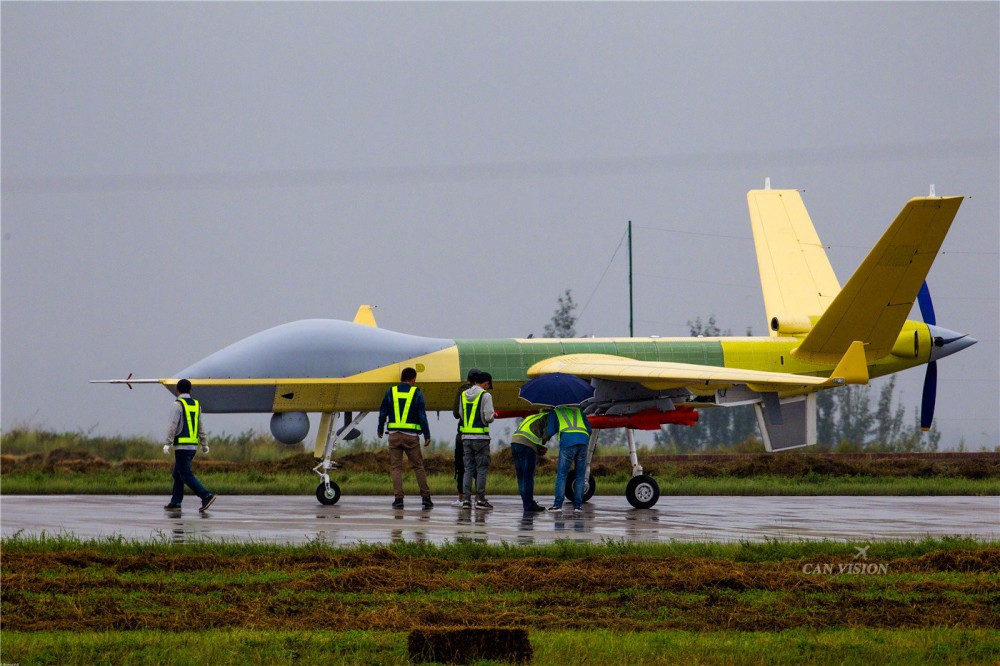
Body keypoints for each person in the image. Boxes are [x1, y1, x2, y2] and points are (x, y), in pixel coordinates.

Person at [377, 367, 433, 510]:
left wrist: (380, 429)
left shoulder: (391, 391)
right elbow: (422, 416)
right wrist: (426, 435)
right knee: (418, 466)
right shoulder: (416, 392)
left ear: (401, 378)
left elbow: (382, 412)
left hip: (394, 436)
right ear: (413, 379)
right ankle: (426, 498)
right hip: (411, 437)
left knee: (396, 467)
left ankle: (398, 499)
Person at [163, 378, 216, 513]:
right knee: (178, 473)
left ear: (177, 390)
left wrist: (168, 443)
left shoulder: (177, 405)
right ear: (190, 390)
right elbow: (200, 425)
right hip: (193, 446)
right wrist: (204, 443)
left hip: (181, 446)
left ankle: (206, 495)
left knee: (185, 474)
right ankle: (175, 502)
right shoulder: (196, 405)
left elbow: (172, 425)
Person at [545, 404, 593, 515]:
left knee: (562, 475)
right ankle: (578, 506)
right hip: (583, 442)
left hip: (568, 442)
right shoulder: (578, 410)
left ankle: (557, 505)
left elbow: (550, 431)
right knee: (580, 476)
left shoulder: (555, 411)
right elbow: (589, 430)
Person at [459, 371, 496, 509]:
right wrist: (492, 416)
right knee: (481, 469)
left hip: (466, 437)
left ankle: (466, 500)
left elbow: (461, 414)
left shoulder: (464, 395)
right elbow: (488, 417)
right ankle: (480, 499)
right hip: (481, 438)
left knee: (468, 469)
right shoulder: (485, 395)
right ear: (486, 383)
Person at [509, 409, 551, 512]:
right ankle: (529, 504)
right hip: (526, 445)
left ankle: (526, 502)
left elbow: (531, 432)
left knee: (521, 476)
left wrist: (538, 447)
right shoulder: (549, 417)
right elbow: (546, 434)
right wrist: (543, 443)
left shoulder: (533, 416)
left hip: (514, 442)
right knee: (528, 476)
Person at [451, 368, 480, 506]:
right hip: (480, 435)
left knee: (462, 467)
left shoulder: (461, 392)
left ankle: (462, 497)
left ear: (467, 379)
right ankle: (479, 497)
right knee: (479, 467)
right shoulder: (482, 393)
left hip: (462, 435)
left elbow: (456, 414)